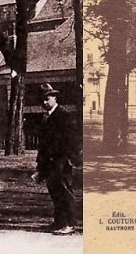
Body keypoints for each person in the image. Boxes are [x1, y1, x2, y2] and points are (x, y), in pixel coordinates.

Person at [33, 83, 81, 235]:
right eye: (42, 100)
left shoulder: (63, 115)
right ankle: (59, 222)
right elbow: (43, 144)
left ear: (54, 97)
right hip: (49, 163)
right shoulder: (46, 117)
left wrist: (68, 158)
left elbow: (72, 140)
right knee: (55, 193)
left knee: (65, 192)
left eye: (47, 99)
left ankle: (70, 224)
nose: (44, 102)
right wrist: (40, 165)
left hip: (61, 161)